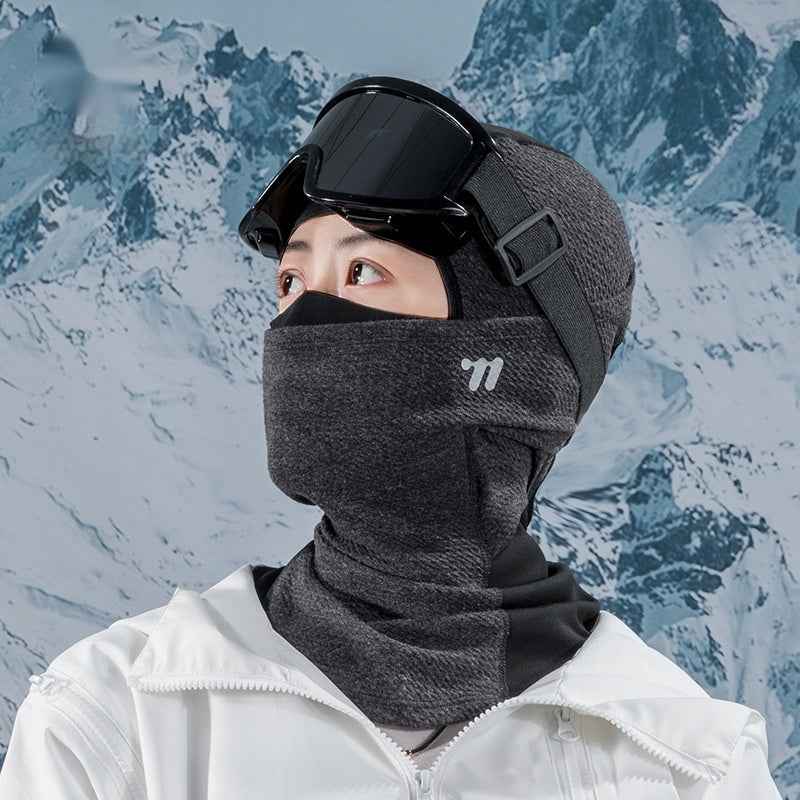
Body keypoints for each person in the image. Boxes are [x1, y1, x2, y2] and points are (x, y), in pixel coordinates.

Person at [0, 76, 781, 799]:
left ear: (515, 354)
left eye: (364, 274)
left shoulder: (683, 762)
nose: (303, 325)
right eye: (290, 283)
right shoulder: (118, 719)